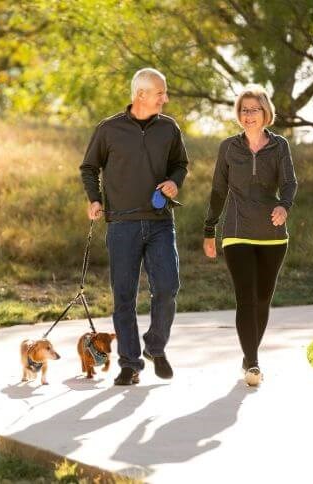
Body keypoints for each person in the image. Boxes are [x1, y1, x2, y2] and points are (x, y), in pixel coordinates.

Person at [80, 68, 189, 385]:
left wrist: (173, 181)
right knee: (124, 296)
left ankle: (155, 347)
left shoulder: (169, 129)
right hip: (122, 225)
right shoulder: (109, 129)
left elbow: (180, 164)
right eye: (160, 93)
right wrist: (94, 198)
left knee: (167, 288)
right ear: (141, 94)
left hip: (159, 223)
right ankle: (130, 363)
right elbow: (89, 167)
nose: (165, 98)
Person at [203, 85, 298, 386]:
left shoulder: (279, 145)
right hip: (237, 232)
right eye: (243, 110)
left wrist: (284, 206)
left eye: (253, 109)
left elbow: (290, 183)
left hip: (272, 235)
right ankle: (253, 364)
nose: (248, 115)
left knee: (262, 299)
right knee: (245, 297)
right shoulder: (229, 147)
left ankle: (249, 353)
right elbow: (218, 190)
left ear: (265, 112)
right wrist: (210, 229)